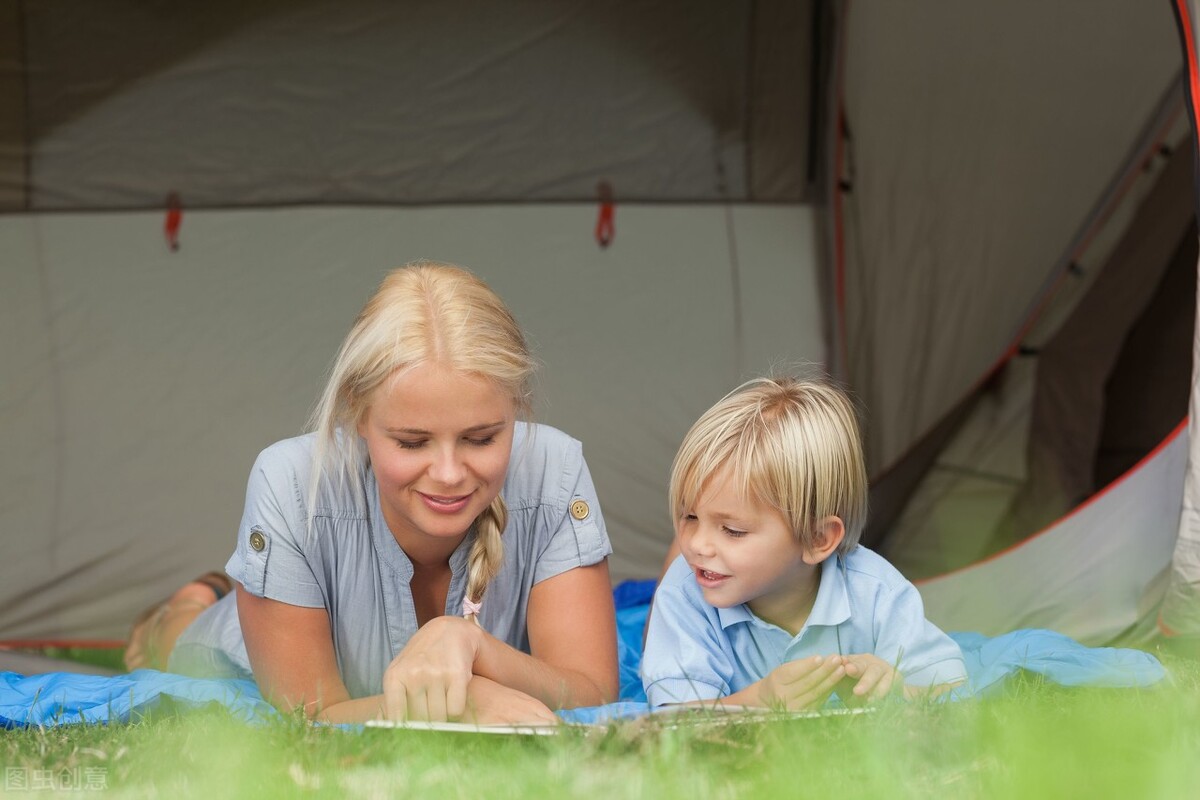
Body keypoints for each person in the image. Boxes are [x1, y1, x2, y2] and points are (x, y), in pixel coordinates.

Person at [138, 261, 618, 724]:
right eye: (412, 442)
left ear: (517, 407)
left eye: (480, 439)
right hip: (237, 643)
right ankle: (188, 603)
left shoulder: (555, 470)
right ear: (358, 414)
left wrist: (473, 645)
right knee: (179, 644)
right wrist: (466, 703)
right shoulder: (290, 484)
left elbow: (594, 692)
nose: (449, 474)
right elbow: (310, 717)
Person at [641, 376, 967, 709]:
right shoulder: (685, 593)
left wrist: (893, 691)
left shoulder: (876, 591)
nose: (698, 545)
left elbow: (953, 692)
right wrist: (758, 702)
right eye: (689, 517)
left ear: (817, 539)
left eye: (733, 530)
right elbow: (674, 720)